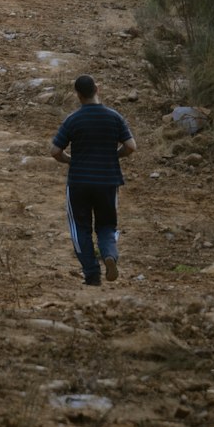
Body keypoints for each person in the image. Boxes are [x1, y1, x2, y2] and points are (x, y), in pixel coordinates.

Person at [50, 74, 137, 286]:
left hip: (79, 181)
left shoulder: (73, 119)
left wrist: (70, 159)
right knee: (107, 225)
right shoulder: (114, 117)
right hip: (108, 180)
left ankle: (91, 274)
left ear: (78, 95)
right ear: (97, 88)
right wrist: (113, 155)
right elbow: (131, 146)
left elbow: (55, 151)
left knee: (80, 227)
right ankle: (109, 254)